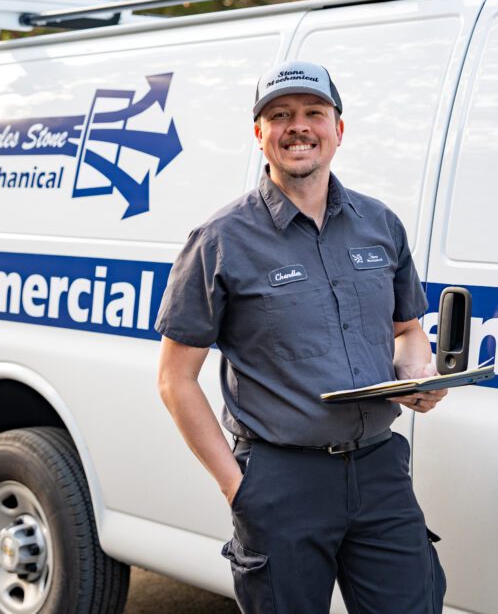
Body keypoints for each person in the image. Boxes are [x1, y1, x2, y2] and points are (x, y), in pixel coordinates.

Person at [154, 60, 448, 613]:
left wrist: (417, 373)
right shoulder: (220, 239)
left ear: (339, 129)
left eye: (315, 112)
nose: (299, 126)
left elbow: (407, 329)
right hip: (281, 481)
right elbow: (175, 380)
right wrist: (236, 487)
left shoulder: (379, 225)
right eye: (280, 115)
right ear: (259, 134)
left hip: (380, 470)